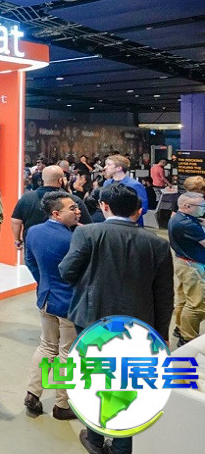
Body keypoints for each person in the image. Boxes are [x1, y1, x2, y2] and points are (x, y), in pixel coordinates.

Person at [59, 183, 173, 454]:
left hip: (93, 320)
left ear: (104, 206)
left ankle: (95, 439)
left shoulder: (87, 233)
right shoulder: (158, 244)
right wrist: (162, 334)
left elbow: (67, 271)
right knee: (130, 382)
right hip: (138, 323)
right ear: (138, 210)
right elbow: (164, 294)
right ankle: (123, 445)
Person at [23, 192, 80, 421]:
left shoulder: (34, 232)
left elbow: (30, 261)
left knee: (46, 346)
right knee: (67, 353)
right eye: (72, 208)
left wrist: (44, 281)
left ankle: (33, 393)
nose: (78, 211)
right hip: (68, 303)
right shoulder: (73, 239)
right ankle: (62, 404)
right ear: (56, 213)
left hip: (45, 297)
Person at [11, 165, 91, 248]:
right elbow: (88, 226)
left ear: (43, 179)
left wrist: (17, 240)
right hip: (64, 246)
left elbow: (16, 221)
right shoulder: (72, 200)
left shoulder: (26, 198)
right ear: (60, 180)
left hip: (33, 245)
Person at [168, 191, 205, 346]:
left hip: (183, 263)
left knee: (184, 300)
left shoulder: (178, 218)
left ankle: (181, 328)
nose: (203, 208)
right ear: (187, 206)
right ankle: (188, 337)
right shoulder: (188, 224)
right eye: (201, 206)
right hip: (192, 266)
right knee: (197, 305)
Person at [102, 154, 149, 225]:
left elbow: (143, 207)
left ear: (119, 168)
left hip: (130, 224)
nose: (105, 167)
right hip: (110, 223)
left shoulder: (134, 185)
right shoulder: (107, 183)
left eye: (109, 165)